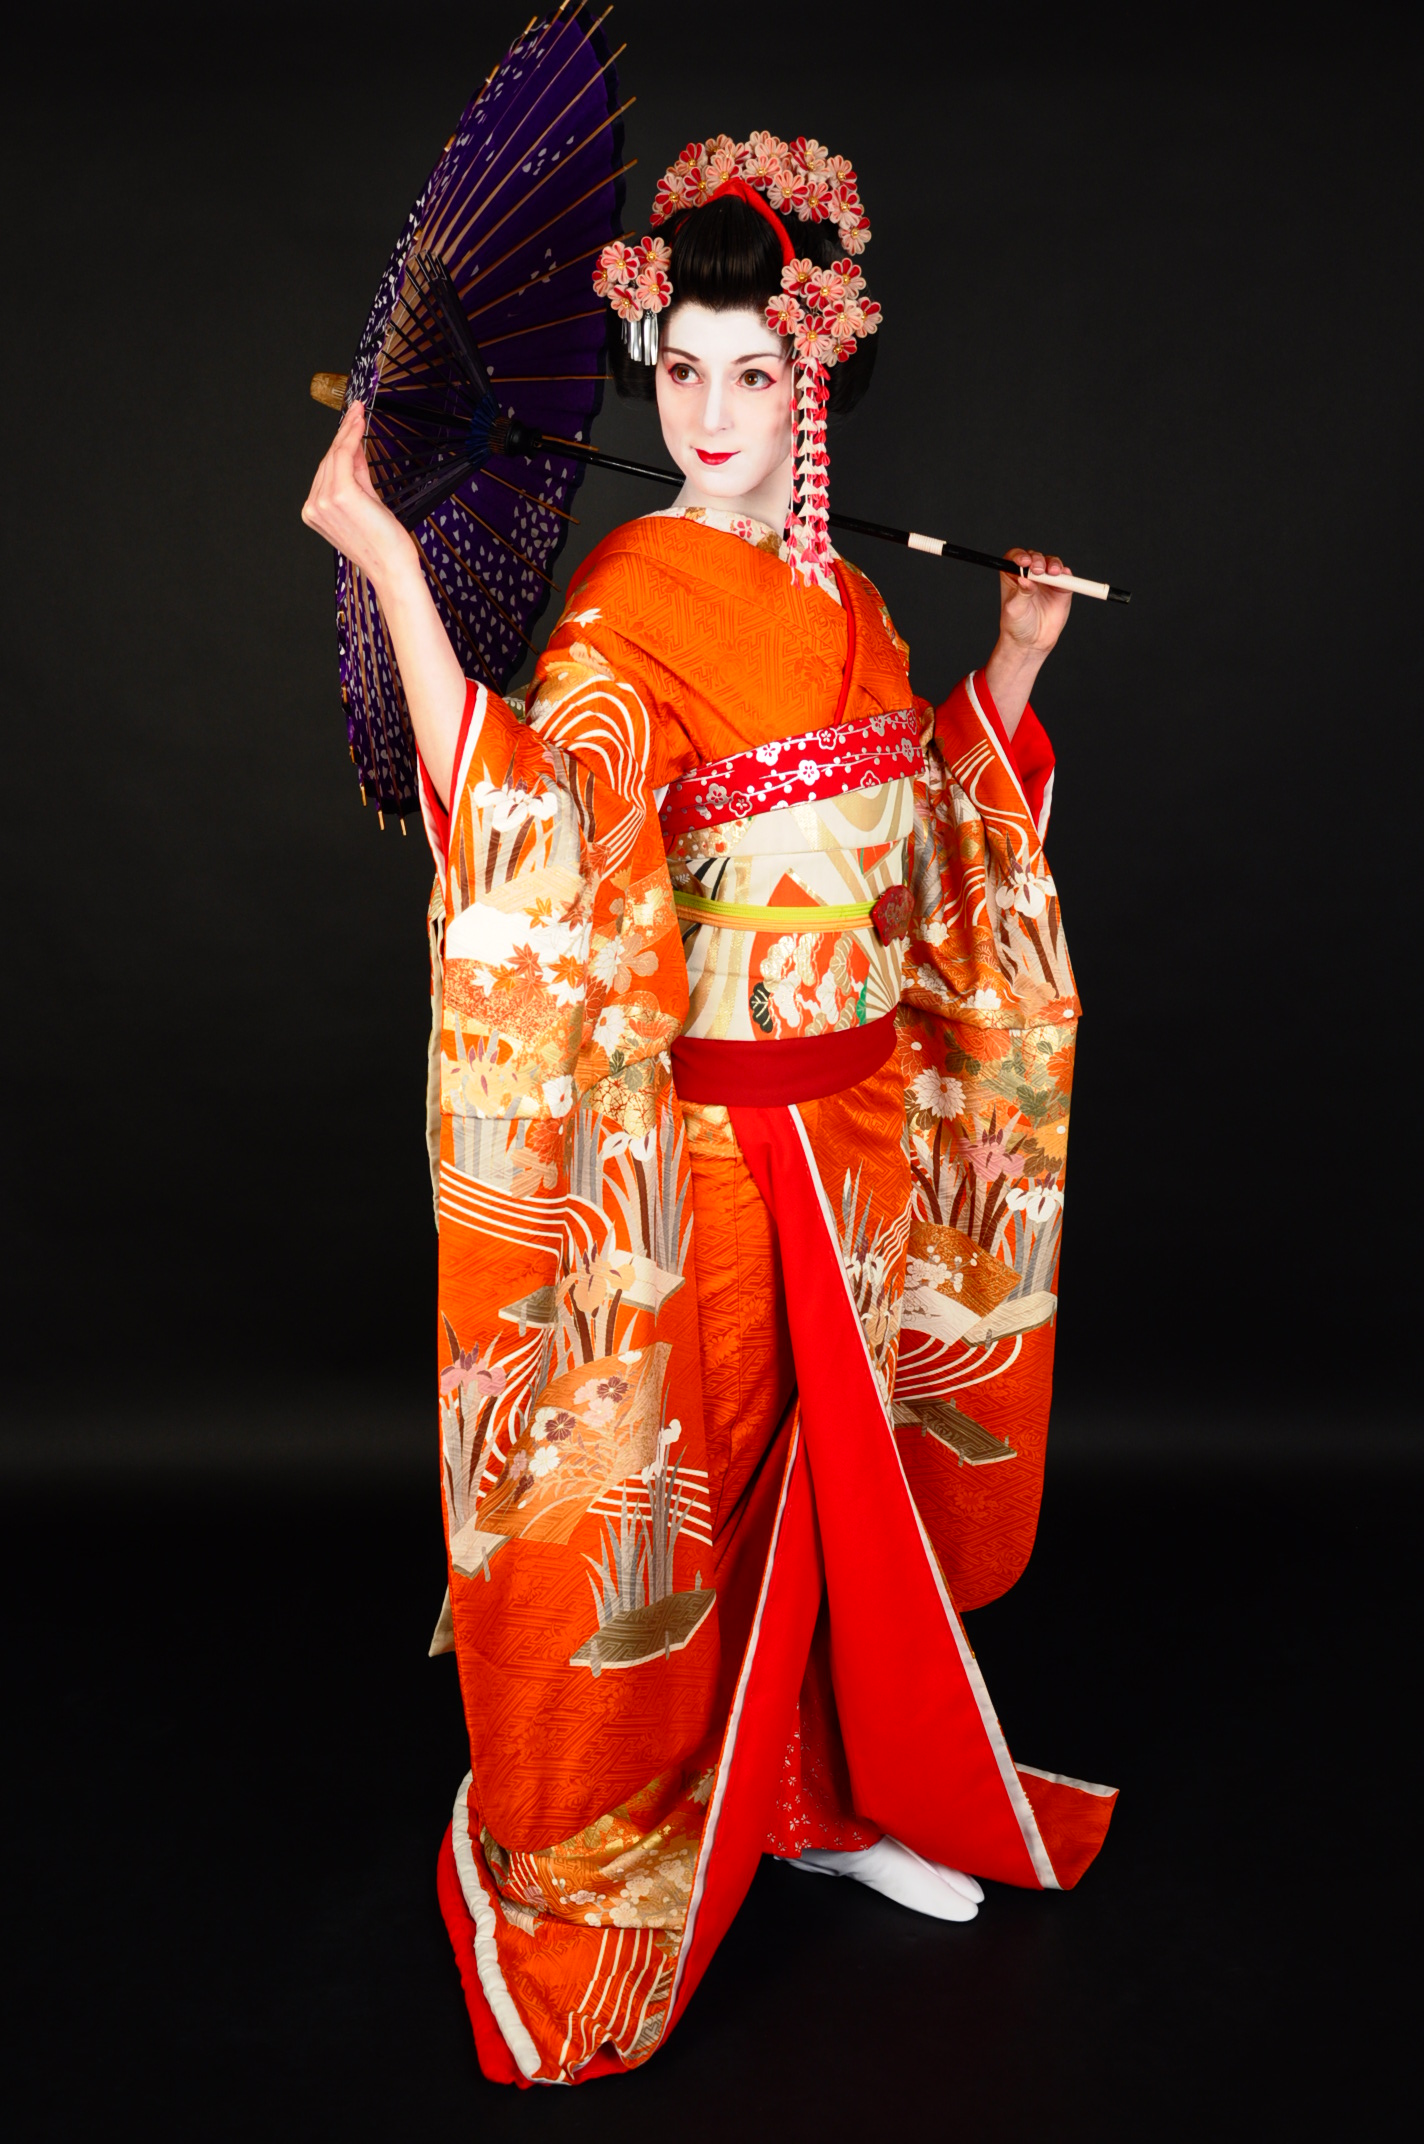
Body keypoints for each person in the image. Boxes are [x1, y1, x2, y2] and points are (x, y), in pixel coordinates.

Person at [303, 132, 1114, 2088]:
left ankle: (828, 1801)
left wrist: (1007, 666)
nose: (714, 413)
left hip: (862, 1131)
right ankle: (631, 1852)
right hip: (721, 1155)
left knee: (844, 1503)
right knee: (697, 1518)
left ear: (813, 378)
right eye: (683, 371)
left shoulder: (850, 605)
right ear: (647, 373)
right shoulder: (625, 609)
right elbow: (532, 834)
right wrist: (389, 559)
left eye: (756, 372)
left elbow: (923, 845)